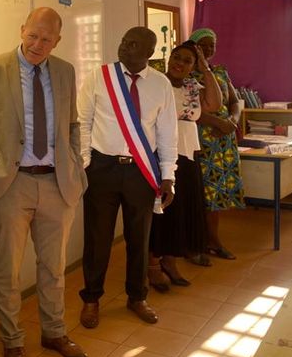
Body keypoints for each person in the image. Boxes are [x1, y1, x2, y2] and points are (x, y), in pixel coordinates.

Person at [0, 7, 88, 357]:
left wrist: (76, 164)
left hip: (56, 183)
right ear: (22, 30)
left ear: (57, 41)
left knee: (53, 268)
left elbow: (73, 124)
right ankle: (12, 340)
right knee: (8, 269)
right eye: (32, 35)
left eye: (46, 38)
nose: (37, 44)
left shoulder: (64, 71)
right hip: (11, 184)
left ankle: (54, 333)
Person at [77, 26, 178, 328]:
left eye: (133, 44)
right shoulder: (100, 77)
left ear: (148, 53)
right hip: (102, 168)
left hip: (141, 171)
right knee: (97, 239)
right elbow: (82, 122)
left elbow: (167, 133)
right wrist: (85, 164)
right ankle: (92, 299)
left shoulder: (160, 85)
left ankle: (137, 297)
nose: (124, 47)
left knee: (139, 237)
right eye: (123, 40)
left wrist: (168, 175)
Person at [147, 41, 222, 292]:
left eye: (187, 61)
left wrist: (206, 69)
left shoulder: (192, 86)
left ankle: (170, 260)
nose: (180, 63)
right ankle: (153, 265)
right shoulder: (157, 82)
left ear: (193, 66)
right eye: (177, 57)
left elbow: (214, 104)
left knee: (181, 211)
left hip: (188, 153)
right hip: (162, 155)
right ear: (169, 58)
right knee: (163, 211)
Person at [188, 28, 245, 264]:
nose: (209, 49)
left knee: (216, 195)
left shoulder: (219, 71)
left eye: (212, 45)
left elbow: (236, 101)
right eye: (203, 45)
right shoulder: (187, 73)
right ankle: (195, 243)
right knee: (199, 194)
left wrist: (232, 120)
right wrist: (218, 122)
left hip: (223, 141)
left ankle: (213, 240)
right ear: (194, 46)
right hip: (200, 141)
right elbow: (190, 110)